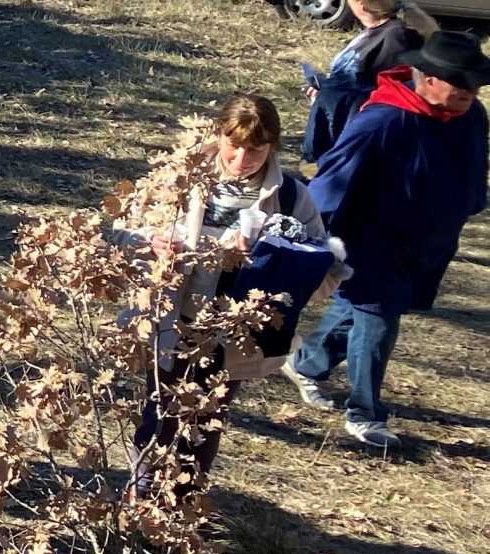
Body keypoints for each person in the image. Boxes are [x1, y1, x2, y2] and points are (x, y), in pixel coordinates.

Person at [114, 95, 337, 496]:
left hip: (236, 331)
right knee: (159, 408)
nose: (240, 160)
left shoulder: (291, 198)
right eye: (233, 147)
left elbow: (324, 270)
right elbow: (118, 232)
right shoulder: (179, 179)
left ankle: (184, 505)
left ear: (273, 147)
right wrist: (152, 241)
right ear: (219, 135)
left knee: (206, 416)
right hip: (172, 317)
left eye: (255, 150)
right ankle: (142, 500)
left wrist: (272, 259)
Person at [284, 31, 490, 448]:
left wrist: (469, 203)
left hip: (428, 240)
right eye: (460, 83)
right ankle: (365, 415)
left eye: (474, 85)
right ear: (428, 78)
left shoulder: (471, 116)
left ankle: (307, 363)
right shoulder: (382, 120)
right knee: (379, 318)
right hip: (371, 239)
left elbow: (474, 165)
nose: (470, 92)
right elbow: (331, 180)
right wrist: (317, 240)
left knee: (364, 309)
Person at [303, 0, 436, 165]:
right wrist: (326, 87)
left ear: (360, 2)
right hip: (334, 120)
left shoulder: (397, 38)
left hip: (355, 133)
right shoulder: (374, 31)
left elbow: (388, 91)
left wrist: (338, 93)